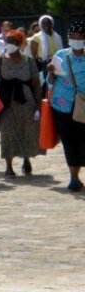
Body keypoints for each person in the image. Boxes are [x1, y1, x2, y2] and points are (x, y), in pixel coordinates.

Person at [46, 21, 85, 192]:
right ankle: (74, 176)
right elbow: (50, 81)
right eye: (73, 37)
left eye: (80, 37)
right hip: (63, 106)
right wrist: (50, 72)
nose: (76, 40)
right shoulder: (61, 55)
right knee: (69, 142)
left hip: (83, 105)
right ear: (69, 38)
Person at [0, 29, 40, 177]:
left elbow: (35, 83)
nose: (10, 44)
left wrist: (38, 105)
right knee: (8, 133)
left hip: (26, 101)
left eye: (14, 42)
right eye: (8, 41)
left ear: (20, 43)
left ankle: (26, 159)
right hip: (7, 102)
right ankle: (8, 165)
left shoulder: (29, 60)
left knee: (27, 131)